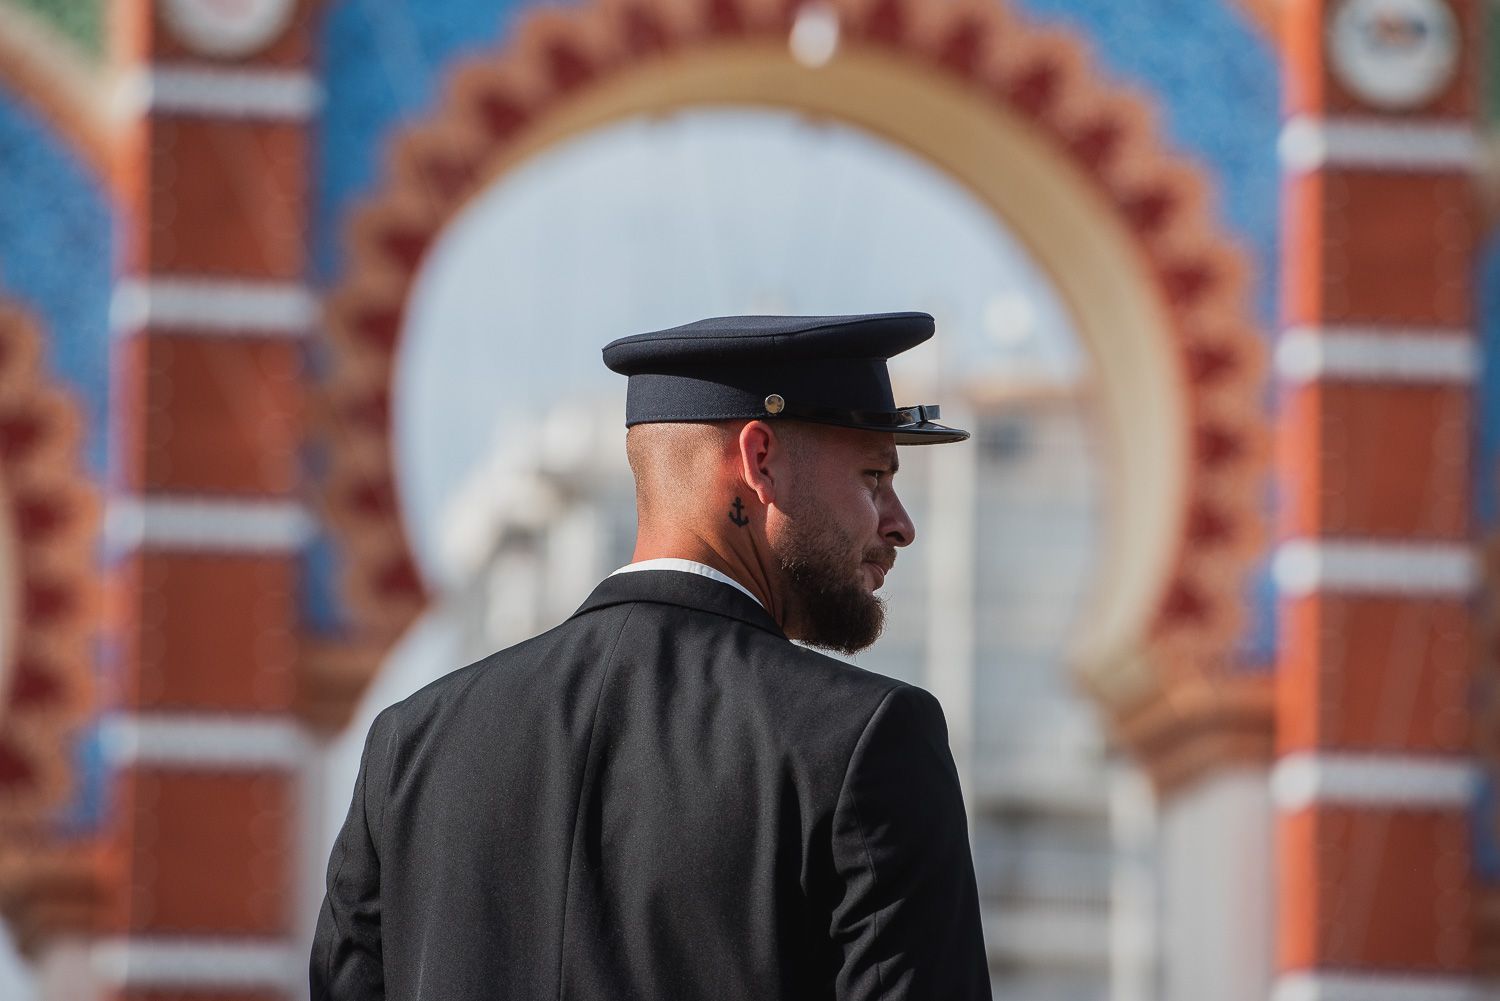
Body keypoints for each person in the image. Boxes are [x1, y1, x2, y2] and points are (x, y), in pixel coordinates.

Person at [311, 312, 992, 1000]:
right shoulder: (862, 743)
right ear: (760, 461)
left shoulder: (411, 748)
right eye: (874, 475)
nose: (900, 522)